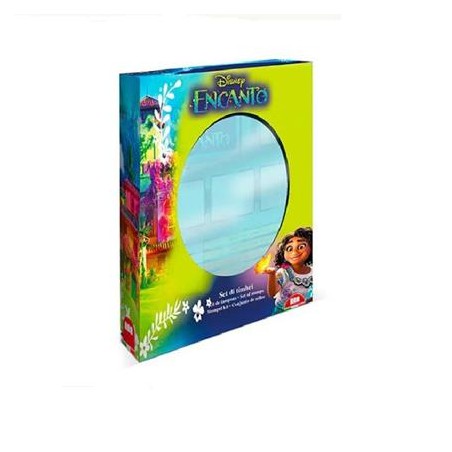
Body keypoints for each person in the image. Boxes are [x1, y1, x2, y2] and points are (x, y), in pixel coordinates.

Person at [262, 227, 313, 313]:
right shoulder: (284, 272)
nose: (294, 252)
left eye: (301, 246)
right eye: (289, 248)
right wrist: (272, 274)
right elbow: (272, 293)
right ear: (283, 253)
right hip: (282, 311)